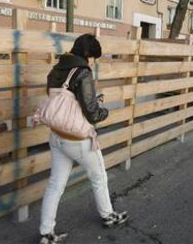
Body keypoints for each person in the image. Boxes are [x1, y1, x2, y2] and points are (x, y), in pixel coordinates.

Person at [39, 34, 128, 244]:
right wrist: (103, 111)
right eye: (93, 57)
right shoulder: (82, 72)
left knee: (55, 185)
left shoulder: (57, 69)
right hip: (78, 140)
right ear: (88, 53)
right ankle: (108, 215)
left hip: (57, 136)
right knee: (99, 178)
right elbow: (91, 112)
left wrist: (90, 102)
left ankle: (46, 233)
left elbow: (63, 100)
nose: (92, 62)